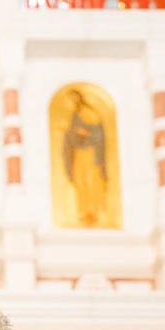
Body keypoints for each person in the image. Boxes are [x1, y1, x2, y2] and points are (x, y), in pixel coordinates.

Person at [61, 89, 107, 227]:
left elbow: (98, 133)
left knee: (90, 181)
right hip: (79, 152)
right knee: (79, 180)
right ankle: (83, 211)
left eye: (73, 99)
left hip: (90, 152)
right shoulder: (76, 114)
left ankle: (93, 211)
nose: (71, 103)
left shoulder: (89, 113)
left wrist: (85, 133)